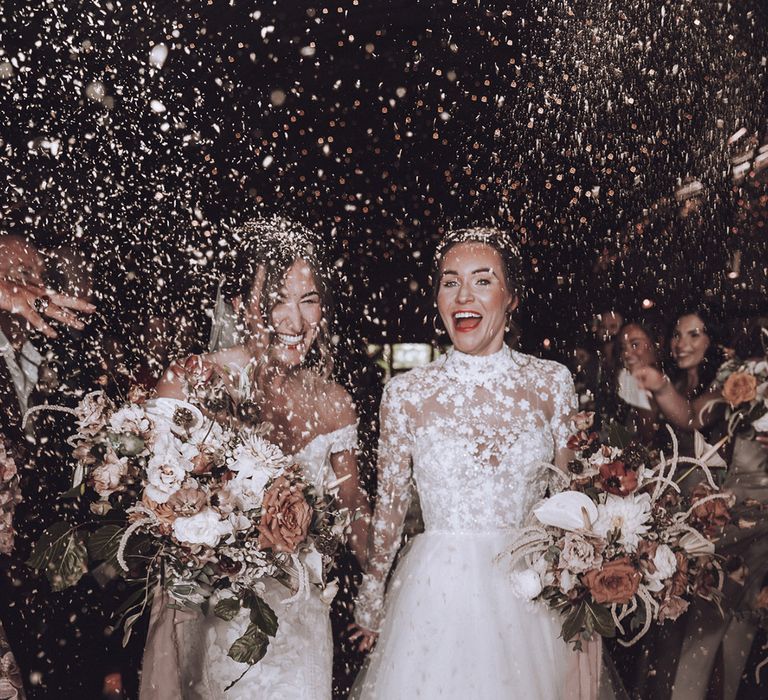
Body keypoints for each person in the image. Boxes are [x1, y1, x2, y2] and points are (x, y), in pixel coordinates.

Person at [349, 227, 600, 699]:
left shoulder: (552, 383)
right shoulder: (405, 394)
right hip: (436, 597)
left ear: (511, 298)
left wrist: (585, 582)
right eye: (450, 282)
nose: (463, 294)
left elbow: (571, 501)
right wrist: (371, 598)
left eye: (482, 280)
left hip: (530, 593)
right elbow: (390, 507)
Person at [139, 217, 371, 699]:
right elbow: (152, 504)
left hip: (302, 619)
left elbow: (353, 509)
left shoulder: (335, 402)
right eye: (277, 300)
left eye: (309, 301)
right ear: (244, 307)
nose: (295, 321)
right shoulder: (193, 383)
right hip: (211, 614)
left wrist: (387, 580)